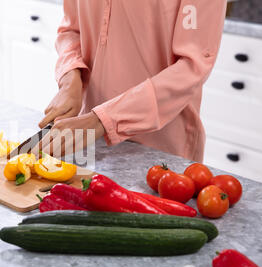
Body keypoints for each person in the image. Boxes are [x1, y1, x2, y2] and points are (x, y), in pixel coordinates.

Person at [37, 0, 227, 162]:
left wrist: (104, 120)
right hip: (87, 142)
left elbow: (192, 67)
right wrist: (70, 77)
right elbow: (72, 29)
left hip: (162, 158)